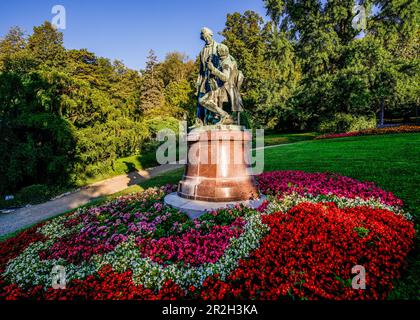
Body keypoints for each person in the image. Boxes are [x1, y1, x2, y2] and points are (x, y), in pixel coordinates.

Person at [206, 44, 244, 124]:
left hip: (227, 88)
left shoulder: (226, 63)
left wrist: (213, 69)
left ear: (220, 52)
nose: (217, 53)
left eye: (217, 51)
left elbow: (225, 78)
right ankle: (219, 117)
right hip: (227, 88)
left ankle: (221, 116)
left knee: (205, 100)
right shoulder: (226, 60)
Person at [194, 27, 220, 127]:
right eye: (203, 37)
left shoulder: (218, 47)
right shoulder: (202, 52)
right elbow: (200, 70)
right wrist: (198, 84)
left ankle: (215, 118)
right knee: (200, 100)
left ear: (210, 35)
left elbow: (225, 63)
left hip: (215, 78)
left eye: (205, 36)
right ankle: (199, 122)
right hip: (204, 78)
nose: (205, 39)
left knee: (212, 99)